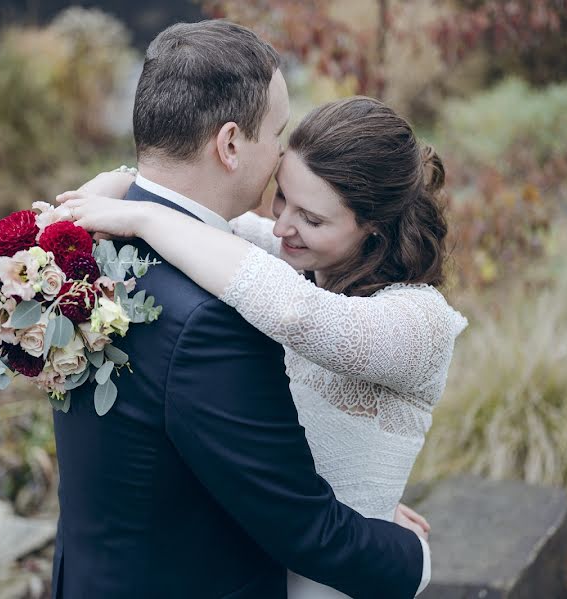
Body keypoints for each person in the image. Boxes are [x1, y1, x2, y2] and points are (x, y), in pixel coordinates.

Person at [50, 20, 432, 599]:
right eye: (277, 132)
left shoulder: (78, 248)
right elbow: (303, 527)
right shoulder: (214, 319)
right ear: (230, 144)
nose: (280, 151)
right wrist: (415, 559)